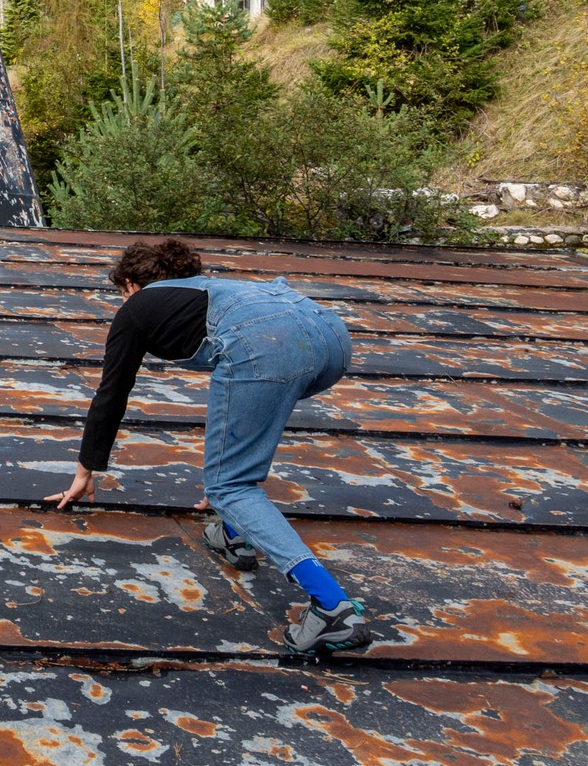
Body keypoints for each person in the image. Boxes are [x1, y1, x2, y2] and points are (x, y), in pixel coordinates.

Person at [46, 236, 373, 654]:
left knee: (229, 486)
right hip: (331, 338)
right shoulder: (216, 290)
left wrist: (85, 470)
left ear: (129, 284)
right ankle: (234, 533)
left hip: (269, 346)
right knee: (239, 456)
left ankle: (332, 608)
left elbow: (112, 392)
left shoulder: (138, 306)